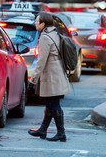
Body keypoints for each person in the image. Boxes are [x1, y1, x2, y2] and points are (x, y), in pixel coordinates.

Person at [28, 12, 71, 142]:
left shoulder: (45, 38)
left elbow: (41, 61)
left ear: (43, 23)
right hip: (57, 72)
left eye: (37, 21)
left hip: (52, 74)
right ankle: (43, 129)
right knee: (49, 103)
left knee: (54, 104)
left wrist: (33, 78)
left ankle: (61, 133)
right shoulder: (55, 33)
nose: (35, 23)